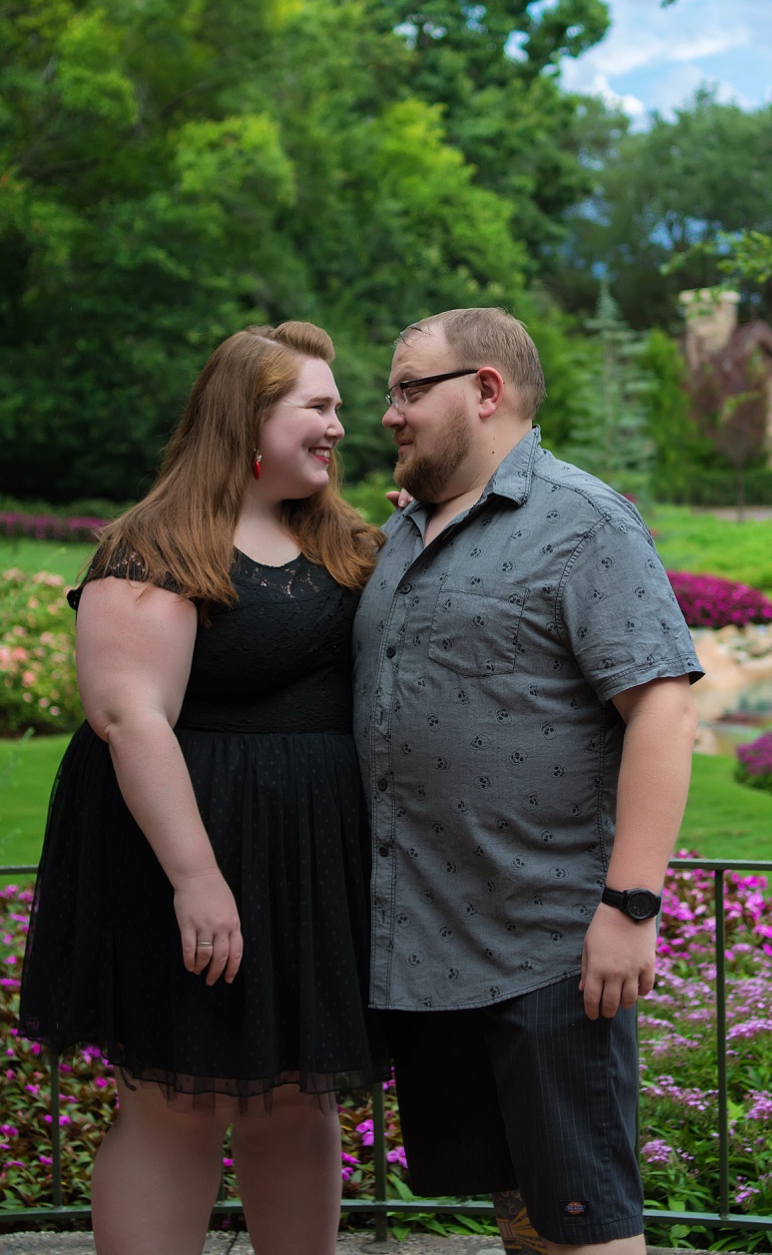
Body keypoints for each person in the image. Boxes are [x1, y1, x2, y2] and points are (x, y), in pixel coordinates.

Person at [20, 321, 388, 1255]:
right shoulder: (156, 545)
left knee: (297, 1096)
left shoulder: (349, 540)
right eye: (318, 405)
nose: (339, 424)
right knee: (177, 1100)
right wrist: (197, 876)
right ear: (248, 417)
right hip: (182, 854)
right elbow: (131, 717)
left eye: (337, 405)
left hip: (310, 863)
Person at [353, 308, 702, 1255]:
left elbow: (664, 710)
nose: (390, 413)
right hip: (427, 949)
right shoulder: (407, 529)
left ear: (486, 390)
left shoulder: (582, 520)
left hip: (548, 950)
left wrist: (631, 904)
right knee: (519, 1211)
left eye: (409, 388)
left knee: (587, 1226)